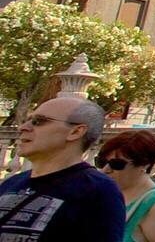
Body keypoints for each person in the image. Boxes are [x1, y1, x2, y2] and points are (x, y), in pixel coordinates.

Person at [0, 97, 125, 241]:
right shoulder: (13, 182)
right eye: (27, 120)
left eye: (38, 121)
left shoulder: (98, 191)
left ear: (76, 132)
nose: (23, 128)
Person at [100, 130, 155, 242]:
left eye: (116, 164)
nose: (105, 170)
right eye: (101, 162)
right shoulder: (108, 193)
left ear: (144, 164)